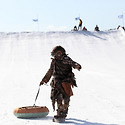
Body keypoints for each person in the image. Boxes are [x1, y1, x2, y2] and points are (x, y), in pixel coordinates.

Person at [40, 46, 82, 121]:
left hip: (65, 82)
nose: (56, 56)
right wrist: (44, 80)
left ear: (60, 53)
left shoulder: (66, 59)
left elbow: (72, 63)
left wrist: (77, 66)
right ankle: (59, 112)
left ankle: (64, 111)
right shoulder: (54, 61)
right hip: (56, 82)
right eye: (54, 54)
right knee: (57, 98)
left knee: (66, 98)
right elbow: (50, 71)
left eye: (57, 54)